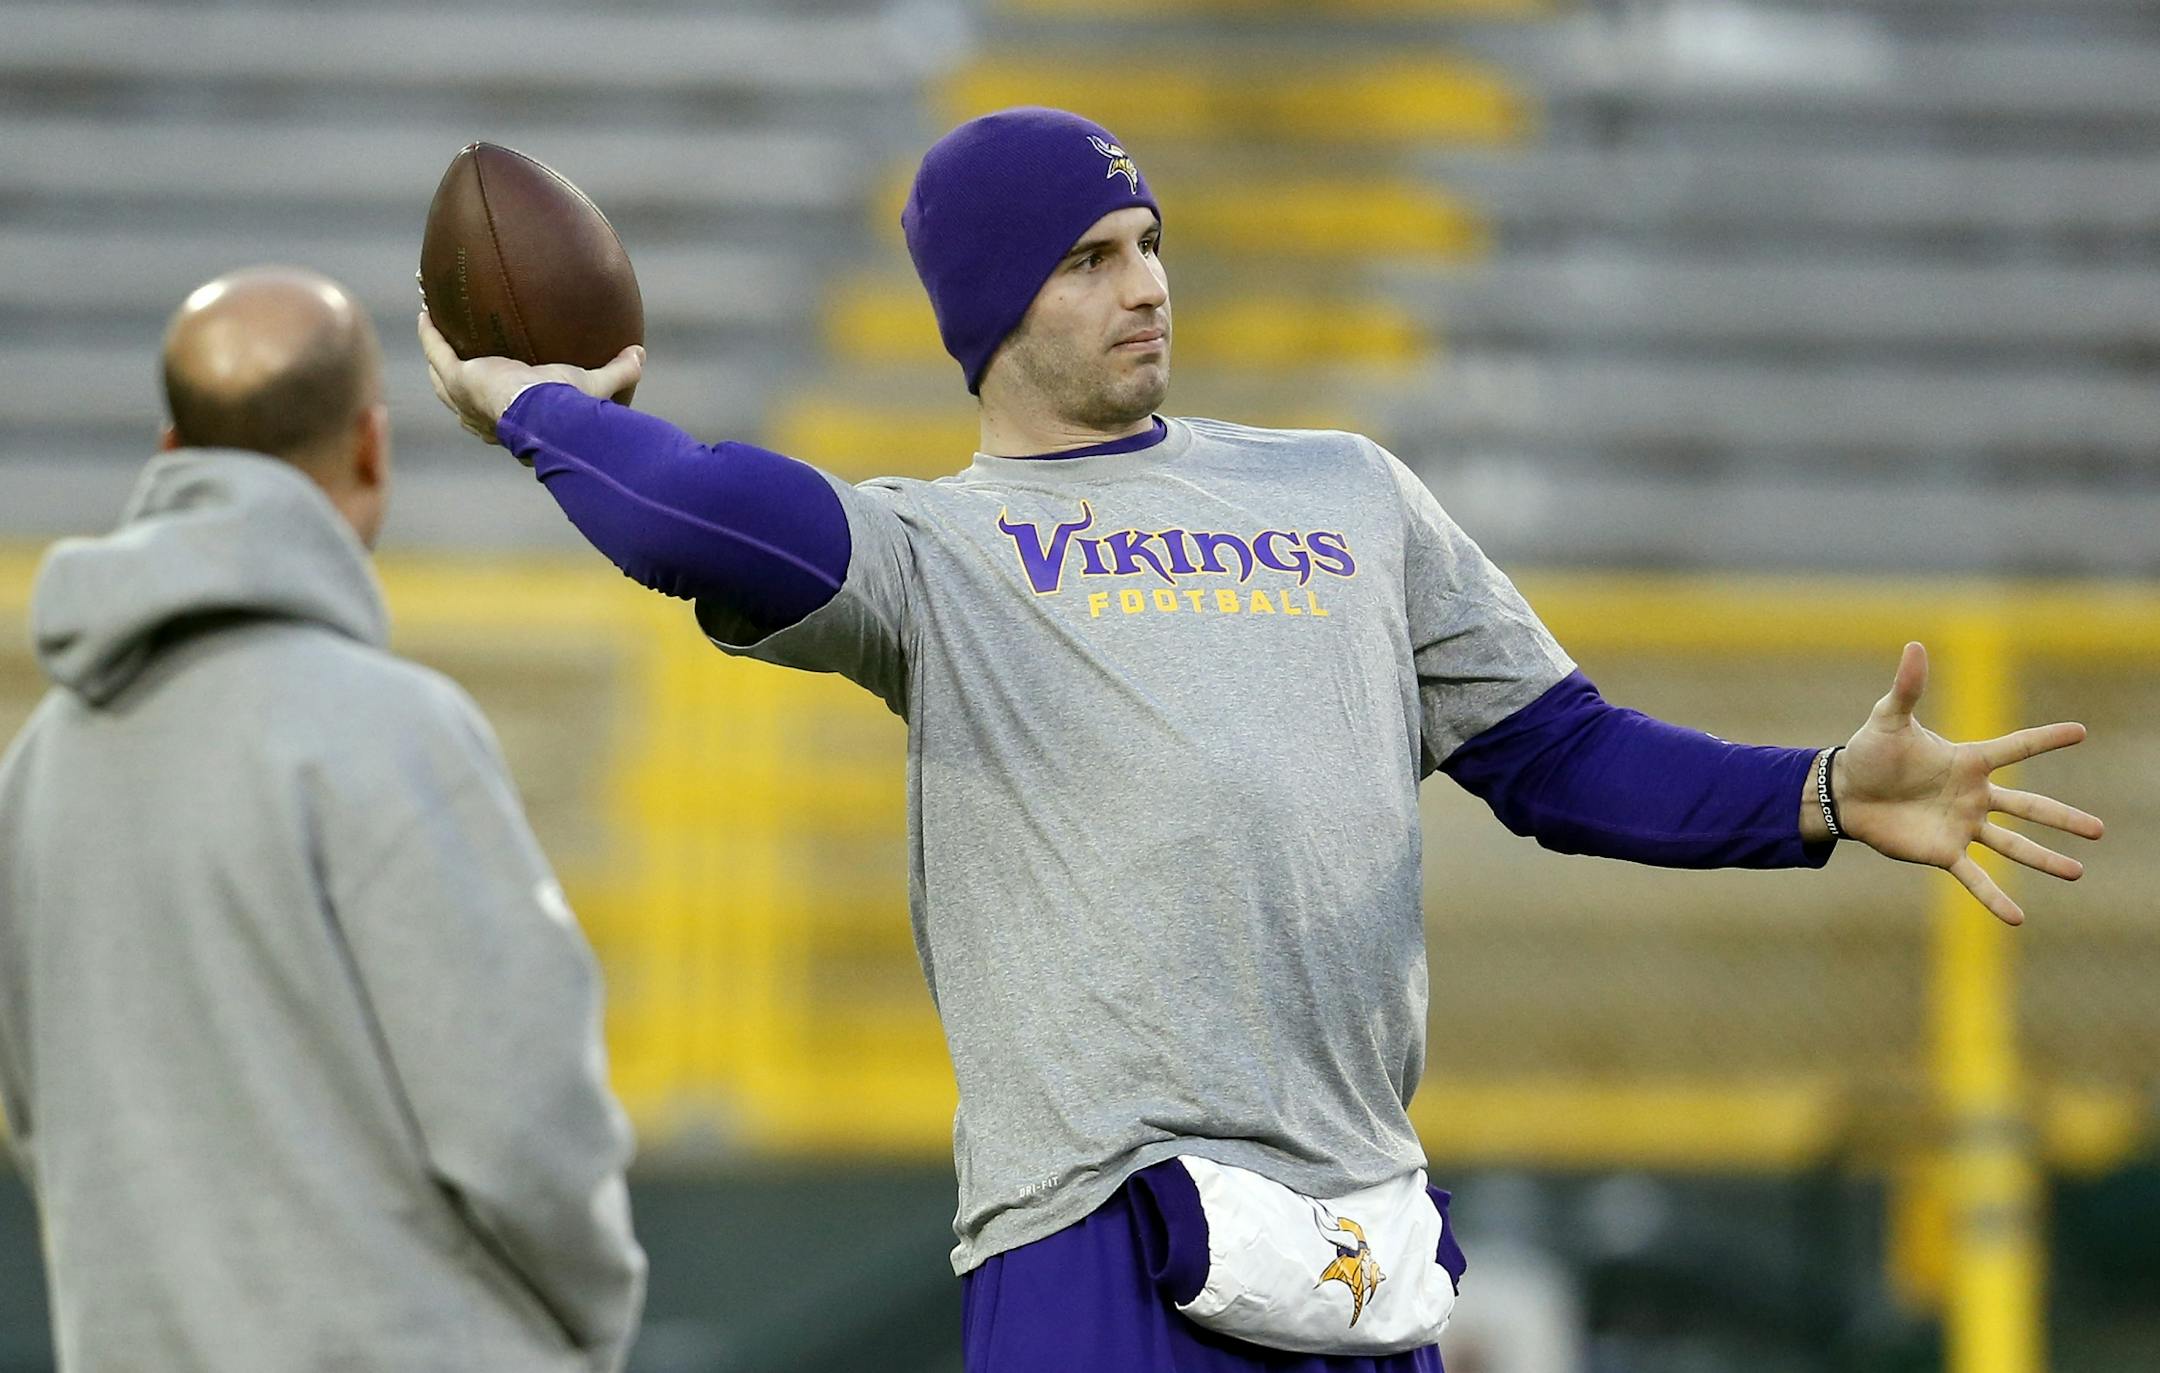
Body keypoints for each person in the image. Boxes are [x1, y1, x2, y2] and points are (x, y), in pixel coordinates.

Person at [418, 108, 2103, 1372]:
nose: (1147, 284)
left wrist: (1809, 792)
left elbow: (1563, 757)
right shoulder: (941, 550)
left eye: (1148, 240)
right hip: (1100, 1230)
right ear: (992, 307)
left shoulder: (1347, 492)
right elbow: (699, 519)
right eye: (1089, 257)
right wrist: (538, 404)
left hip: (1365, 1240)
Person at [0, 267, 645, 1373]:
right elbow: (520, 1117)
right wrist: (592, 1314)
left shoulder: (35, 768)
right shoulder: (393, 729)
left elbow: (37, 1118)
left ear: (172, 457)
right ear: (369, 449)